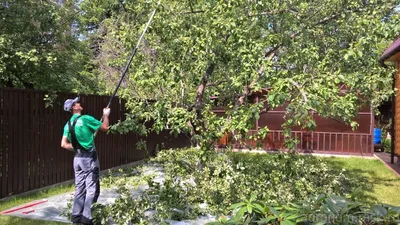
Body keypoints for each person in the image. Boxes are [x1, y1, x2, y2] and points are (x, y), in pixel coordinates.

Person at [61, 97, 110, 225]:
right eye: (76, 103)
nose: (79, 103)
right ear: (74, 108)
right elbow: (105, 127)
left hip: (77, 160)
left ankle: (76, 217)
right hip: (89, 159)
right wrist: (106, 115)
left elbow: (63, 144)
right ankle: (87, 219)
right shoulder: (85, 119)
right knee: (91, 189)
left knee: (79, 189)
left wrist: (78, 148)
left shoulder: (68, 124)